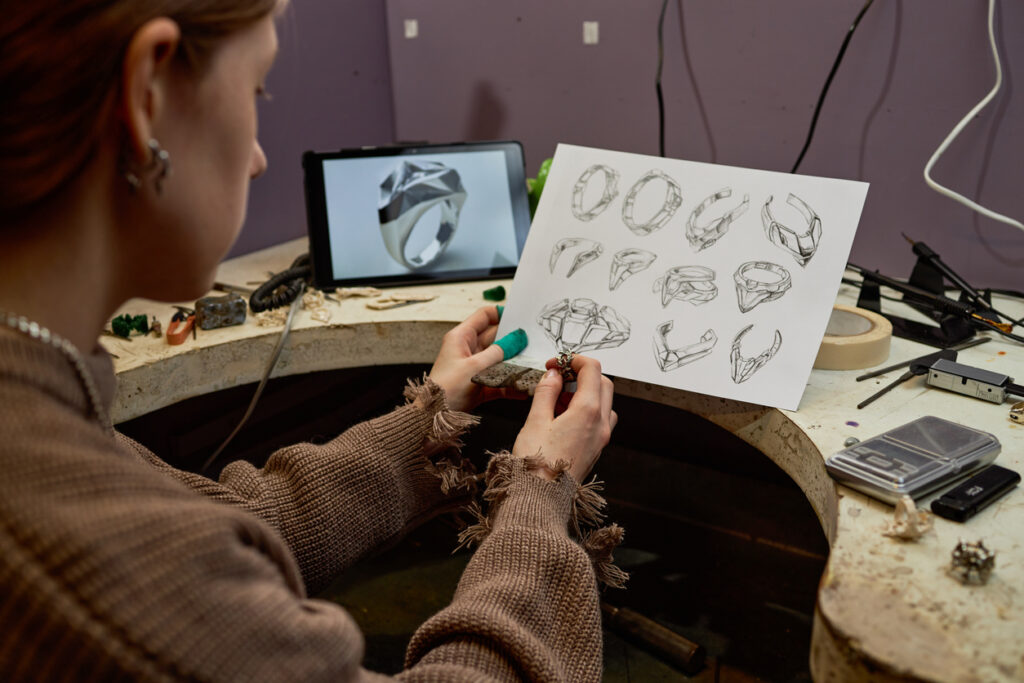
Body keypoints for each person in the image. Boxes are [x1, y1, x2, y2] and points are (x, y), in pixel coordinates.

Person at [0, 1, 622, 680]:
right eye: (255, 88)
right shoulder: (78, 567)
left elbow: (233, 521)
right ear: (145, 96)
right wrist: (539, 489)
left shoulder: (33, 411)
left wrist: (429, 415)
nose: (261, 159)